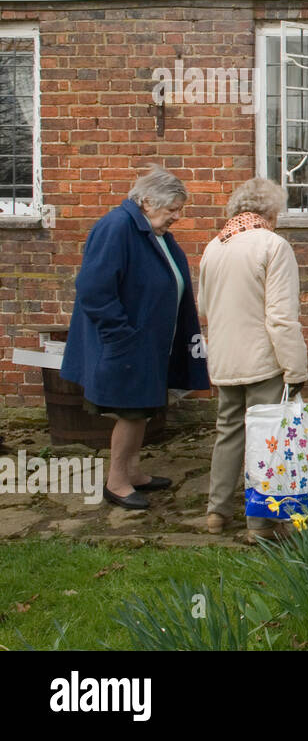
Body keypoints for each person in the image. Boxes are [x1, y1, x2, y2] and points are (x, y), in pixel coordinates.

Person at [61, 165, 210, 509]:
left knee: (142, 409)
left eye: (179, 209)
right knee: (130, 412)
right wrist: (121, 336)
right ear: (146, 201)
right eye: (172, 209)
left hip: (147, 344)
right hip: (127, 343)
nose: (178, 216)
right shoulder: (117, 227)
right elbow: (93, 289)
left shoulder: (150, 231)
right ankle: (116, 482)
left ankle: (133, 471)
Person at [198, 178, 308, 543]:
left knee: (228, 433)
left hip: (225, 358)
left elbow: (203, 307)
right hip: (264, 359)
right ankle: (259, 524)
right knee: (267, 439)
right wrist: (295, 368)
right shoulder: (273, 246)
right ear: (270, 212)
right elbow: (280, 317)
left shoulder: (214, 247)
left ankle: (217, 511)